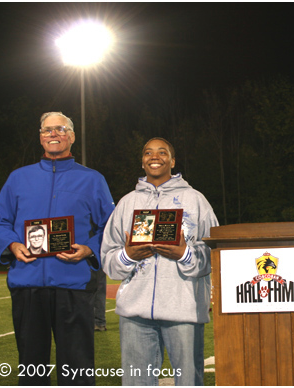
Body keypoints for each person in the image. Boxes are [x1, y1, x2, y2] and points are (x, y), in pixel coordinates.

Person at [0, 112, 115, 385]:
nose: (53, 134)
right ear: (40, 137)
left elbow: (111, 225)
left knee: (78, 368)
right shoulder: (18, 178)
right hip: (27, 283)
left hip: (73, 284)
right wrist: (12, 243)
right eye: (47, 130)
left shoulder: (92, 179)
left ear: (71, 136)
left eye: (60, 129)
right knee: (32, 367)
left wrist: (89, 249)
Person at [101, 137, 219, 386]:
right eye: (148, 152)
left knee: (188, 382)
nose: (154, 157)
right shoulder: (126, 203)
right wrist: (127, 255)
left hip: (183, 310)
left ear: (173, 161)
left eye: (162, 152)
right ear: (142, 161)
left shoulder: (196, 200)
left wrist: (185, 254)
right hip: (135, 314)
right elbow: (108, 258)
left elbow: (214, 253)